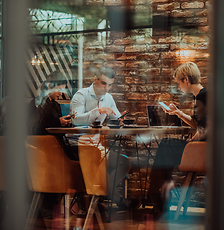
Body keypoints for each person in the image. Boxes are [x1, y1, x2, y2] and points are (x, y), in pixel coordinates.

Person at [147, 62, 207, 218]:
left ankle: (157, 197)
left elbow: (207, 127)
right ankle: (159, 196)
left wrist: (192, 143)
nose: (179, 87)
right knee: (167, 148)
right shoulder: (203, 95)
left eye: (179, 83)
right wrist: (179, 113)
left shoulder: (203, 96)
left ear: (186, 79)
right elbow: (198, 123)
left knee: (166, 146)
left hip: (204, 151)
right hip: (203, 148)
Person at [69, 66, 133, 209]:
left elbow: (116, 116)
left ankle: (104, 196)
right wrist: (97, 111)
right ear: (95, 79)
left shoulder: (108, 98)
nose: (107, 88)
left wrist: (120, 120)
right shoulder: (81, 95)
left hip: (97, 146)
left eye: (110, 85)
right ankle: (115, 199)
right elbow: (76, 120)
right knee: (114, 162)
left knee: (124, 162)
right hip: (78, 145)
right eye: (104, 83)